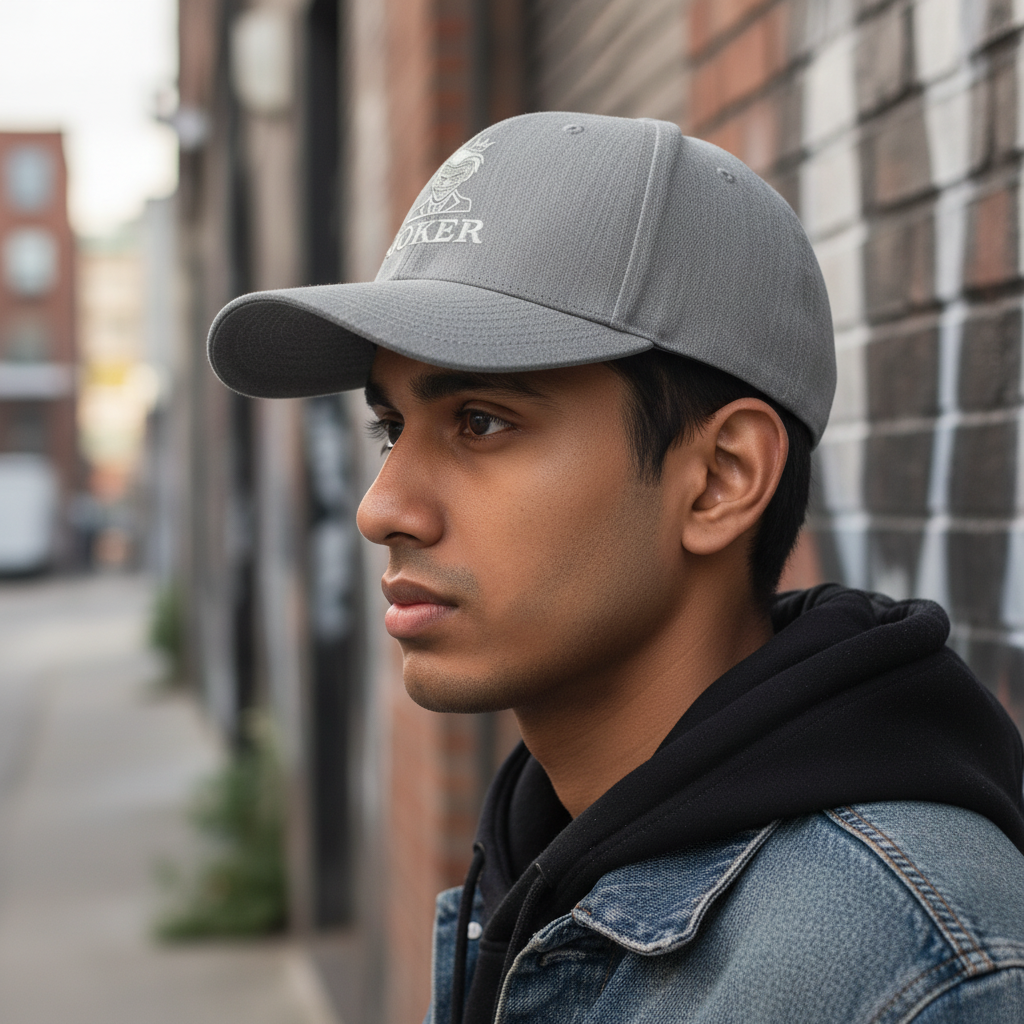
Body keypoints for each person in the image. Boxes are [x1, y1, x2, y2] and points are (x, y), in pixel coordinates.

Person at [208, 112, 1024, 1022]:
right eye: (392, 429)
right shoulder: (545, 860)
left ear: (720, 479)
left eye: (481, 421)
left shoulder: (901, 974)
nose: (382, 509)